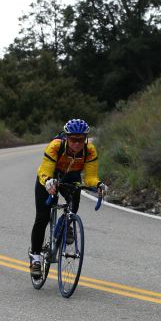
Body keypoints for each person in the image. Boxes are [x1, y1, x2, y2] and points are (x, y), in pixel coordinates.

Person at [30, 118, 107, 278]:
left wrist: (99, 184)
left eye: (81, 140)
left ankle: (65, 224)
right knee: (42, 217)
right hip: (50, 176)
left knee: (74, 201)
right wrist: (48, 182)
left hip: (70, 177)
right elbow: (45, 170)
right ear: (67, 137)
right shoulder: (55, 146)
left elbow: (90, 177)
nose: (77, 144)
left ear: (85, 139)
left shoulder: (90, 151)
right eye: (73, 139)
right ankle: (36, 257)